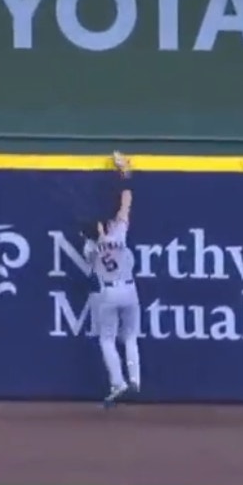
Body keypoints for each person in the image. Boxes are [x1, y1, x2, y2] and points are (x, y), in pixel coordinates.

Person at [82, 150, 139, 408]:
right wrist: (125, 174)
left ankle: (118, 382)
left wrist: (95, 234)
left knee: (107, 339)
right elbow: (126, 203)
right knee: (130, 336)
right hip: (129, 289)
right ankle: (134, 377)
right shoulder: (118, 234)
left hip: (107, 292)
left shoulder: (89, 248)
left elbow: (91, 245)